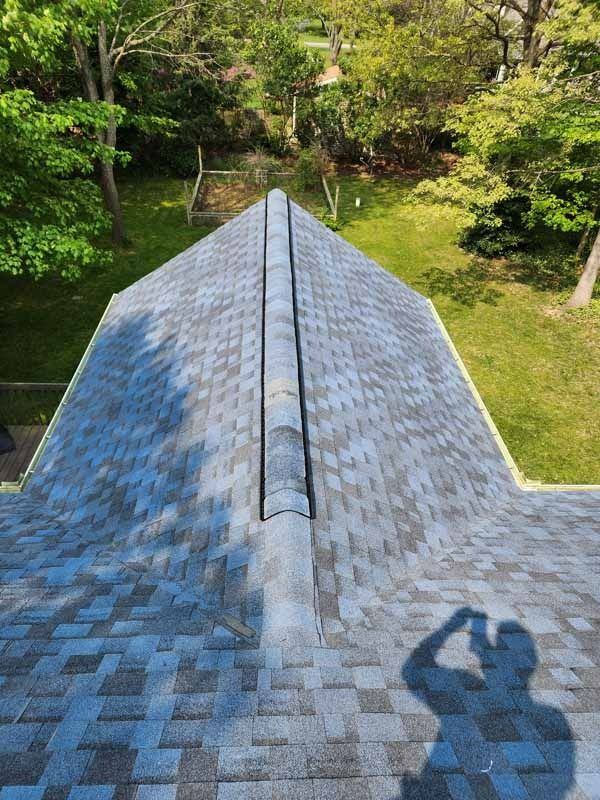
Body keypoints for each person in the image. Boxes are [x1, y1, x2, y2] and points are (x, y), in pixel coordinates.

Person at [400, 607, 574, 799]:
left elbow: (411, 671)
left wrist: (451, 626)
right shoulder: (553, 718)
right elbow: (560, 784)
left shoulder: (464, 688)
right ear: (530, 664)